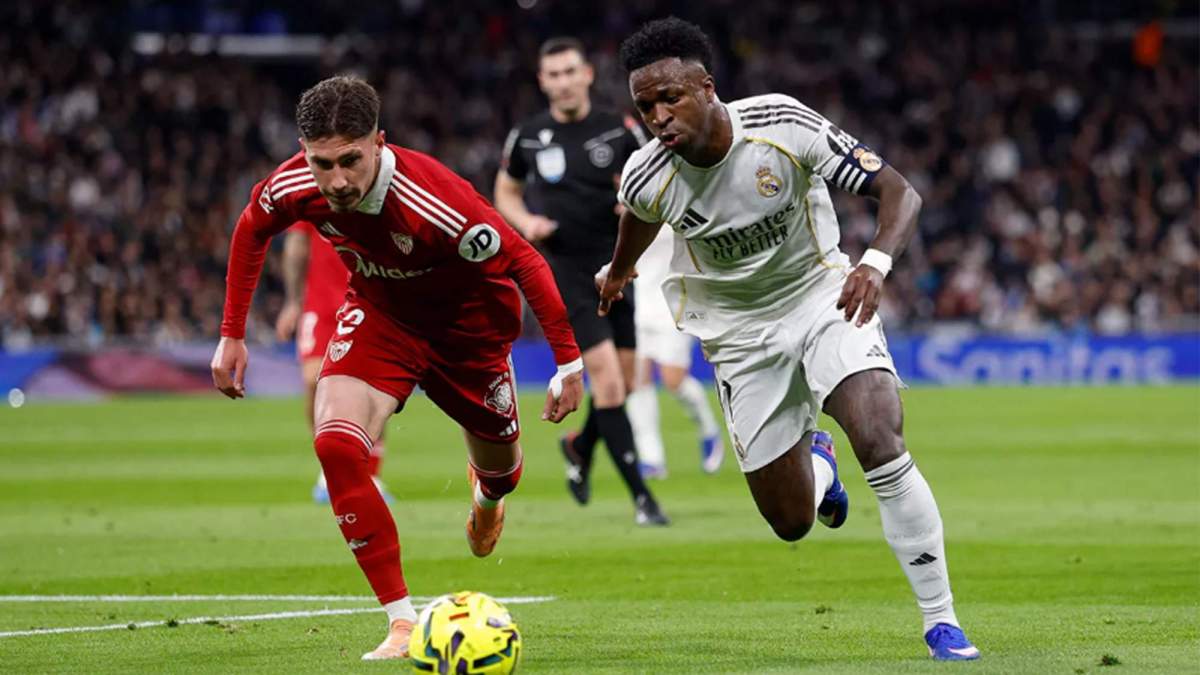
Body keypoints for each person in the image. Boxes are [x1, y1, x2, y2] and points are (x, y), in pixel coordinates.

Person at [596, 18, 980, 661]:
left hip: (821, 295)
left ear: (707, 87)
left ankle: (941, 621)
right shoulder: (646, 175)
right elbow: (637, 219)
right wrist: (620, 270)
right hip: (738, 337)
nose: (658, 116)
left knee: (881, 436)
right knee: (792, 522)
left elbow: (898, 191)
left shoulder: (781, 123)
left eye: (671, 98)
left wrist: (875, 263)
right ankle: (819, 462)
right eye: (645, 106)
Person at [210, 75, 584, 661]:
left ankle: (488, 496)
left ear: (379, 142)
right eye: (321, 163)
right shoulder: (298, 183)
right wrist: (232, 334)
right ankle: (402, 621)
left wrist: (568, 362)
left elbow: (526, 262)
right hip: (382, 318)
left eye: (349, 161)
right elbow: (251, 227)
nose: (335, 180)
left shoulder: (436, 200)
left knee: (504, 473)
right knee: (334, 444)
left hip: (469, 337)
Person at [494, 37, 668, 525]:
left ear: (587, 73)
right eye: (554, 74)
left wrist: (636, 205)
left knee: (628, 382)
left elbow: (658, 178)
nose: (564, 82)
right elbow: (504, 193)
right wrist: (527, 223)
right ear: (542, 81)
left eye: (571, 71)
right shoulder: (528, 136)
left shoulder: (621, 129)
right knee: (609, 384)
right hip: (565, 271)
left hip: (619, 264)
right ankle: (643, 500)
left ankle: (580, 445)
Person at [274, 222, 389, 503]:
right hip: (320, 302)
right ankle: (331, 468)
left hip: (366, 299)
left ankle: (370, 474)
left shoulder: (368, 186)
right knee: (313, 380)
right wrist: (293, 301)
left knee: (373, 387)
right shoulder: (314, 189)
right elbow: (296, 246)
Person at [625, 223, 724, 478]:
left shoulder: (674, 204)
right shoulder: (627, 205)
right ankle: (651, 458)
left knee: (673, 380)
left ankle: (709, 430)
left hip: (673, 303)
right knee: (637, 380)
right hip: (637, 303)